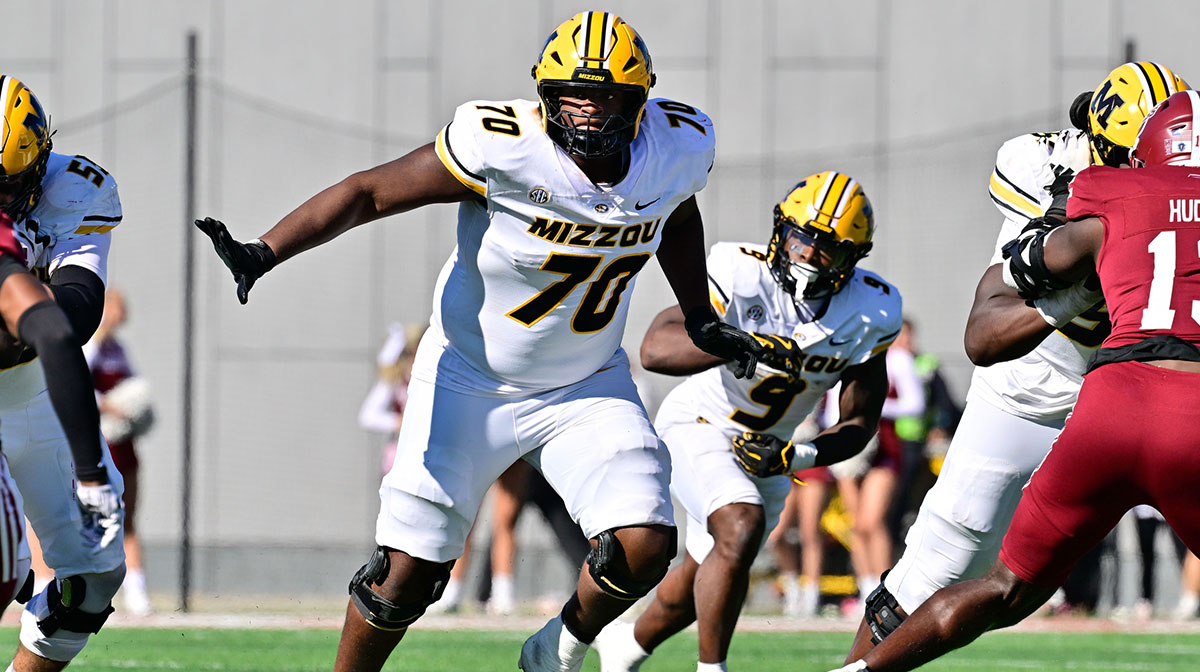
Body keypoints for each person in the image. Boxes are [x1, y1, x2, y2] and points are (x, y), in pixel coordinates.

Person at [195, 11, 764, 672]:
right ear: (543, 95)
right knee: (404, 577)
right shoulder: (505, 145)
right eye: (569, 94)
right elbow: (369, 192)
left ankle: (559, 646)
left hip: (584, 384)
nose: (584, 111)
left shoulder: (676, 147)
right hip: (468, 378)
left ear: (639, 100)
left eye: (602, 94)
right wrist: (267, 250)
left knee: (644, 545)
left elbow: (677, 209)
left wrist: (698, 312)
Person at [829, 87, 1200, 672]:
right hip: (1038, 384)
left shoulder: (1124, 191)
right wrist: (1067, 294)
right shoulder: (1044, 165)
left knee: (1007, 588)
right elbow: (986, 335)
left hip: (1111, 396)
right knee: (943, 558)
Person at [593, 171, 900, 672]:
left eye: (827, 249)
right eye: (802, 238)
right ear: (782, 231)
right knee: (740, 525)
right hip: (702, 421)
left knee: (702, 575)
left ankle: (626, 645)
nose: (807, 255)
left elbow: (860, 420)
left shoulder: (870, 311)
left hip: (772, 447)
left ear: (852, 260)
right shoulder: (740, 271)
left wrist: (799, 455)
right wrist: (738, 343)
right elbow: (656, 348)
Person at [0, 75, 128, 672]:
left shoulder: (74, 190)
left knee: (95, 573)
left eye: (7, 186)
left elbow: (74, 315)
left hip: (36, 385)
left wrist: (23, 317)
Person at [85, 288, 154, 617]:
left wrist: (137, 410)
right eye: (118, 305)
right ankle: (75, 590)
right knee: (91, 519)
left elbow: (134, 386)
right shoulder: (91, 345)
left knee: (128, 517)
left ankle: (137, 592)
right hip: (96, 444)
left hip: (122, 444)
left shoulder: (118, 348)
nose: (123, 311)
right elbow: (76, 385)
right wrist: (108, 405)